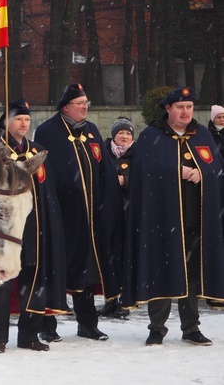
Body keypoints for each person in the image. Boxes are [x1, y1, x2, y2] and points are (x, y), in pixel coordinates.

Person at [123, 87, 224, 346]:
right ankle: (157, 327)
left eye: (189, 107)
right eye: (180, 107)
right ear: (168, 109)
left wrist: (202, 173)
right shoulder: (151, 136)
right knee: (161, 270)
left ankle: (191, 326)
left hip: (195, 220)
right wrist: (174, 172)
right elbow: (142, 174)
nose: (185, 112)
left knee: (191, 274)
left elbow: (216, 169)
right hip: (162, 220)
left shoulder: (202, 134)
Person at [33, 83, 123, 342]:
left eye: (86, 103)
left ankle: (87, 323)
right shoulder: (48, 131)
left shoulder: (92, 130)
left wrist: (109, 203)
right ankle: (47, 325)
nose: (85, 107)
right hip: (63, 216)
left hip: (91, 216)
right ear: (65, 107)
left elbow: (104, 167)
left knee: (87, 269)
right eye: (80, 103)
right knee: (56, 268)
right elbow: (46, 175)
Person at [0, 100, 68, 354]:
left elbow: (48, 193)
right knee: (3, 282)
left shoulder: (39, 152)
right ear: (5, 122)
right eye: (18, 119)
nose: (23, 124)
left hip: (35, 227)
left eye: (26, 120)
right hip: (6, 229)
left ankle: (29, 335)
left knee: (34, 280)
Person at [97, 116, 135, 319]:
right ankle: (110, 299)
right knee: (108, 255)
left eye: (128, 133)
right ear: (113, 135)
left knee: (125, 257)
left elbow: (144, 176)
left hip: (128, 214)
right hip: (107, 212)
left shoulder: (138, 154)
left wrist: (125, 180)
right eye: (121, 132)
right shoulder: (103, 154)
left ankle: (125, 301)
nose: (124, 136)